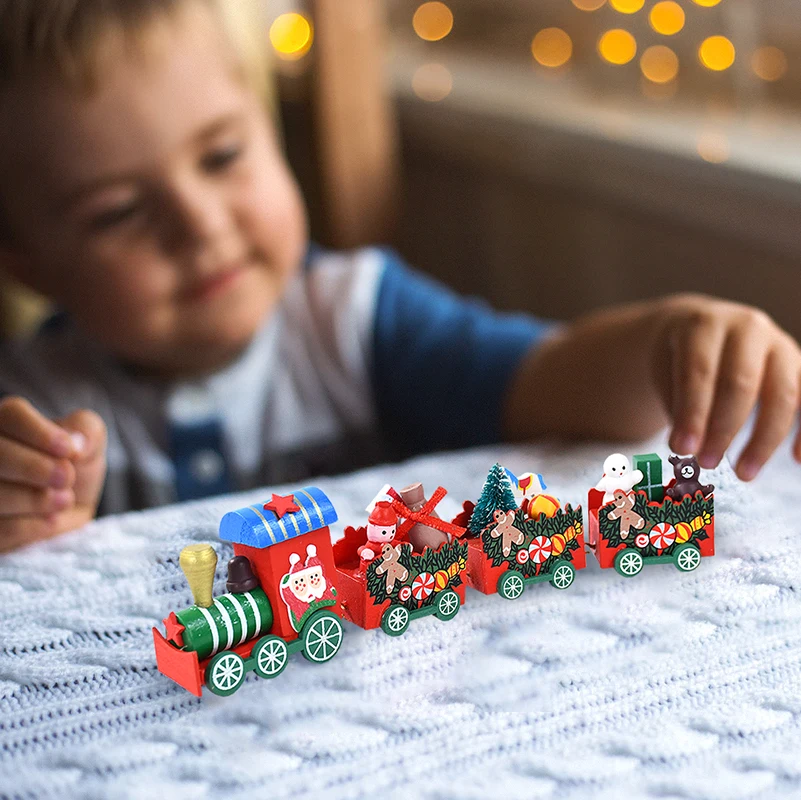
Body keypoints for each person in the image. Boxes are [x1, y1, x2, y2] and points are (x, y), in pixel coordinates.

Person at [0, 0, 799, 554]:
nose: (202, 226)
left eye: (222, 156)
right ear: (25, 259)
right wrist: (30, 521)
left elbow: (554, 380)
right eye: (117, 213)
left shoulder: (353, 318)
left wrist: (671, 341)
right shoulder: (31, 412)